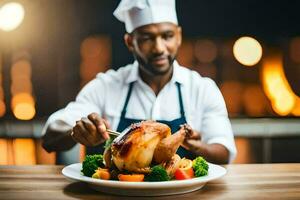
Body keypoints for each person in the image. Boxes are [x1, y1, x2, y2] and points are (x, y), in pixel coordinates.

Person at [42, 0, 237, 164]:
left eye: (167, 36)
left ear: (178, 36)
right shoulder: (105, 86)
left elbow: (224, 153)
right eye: (146, 38)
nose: (159, 48)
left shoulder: (202, 89)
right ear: (129, 42)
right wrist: (76, 131)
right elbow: (50, 135)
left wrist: (197, 146)